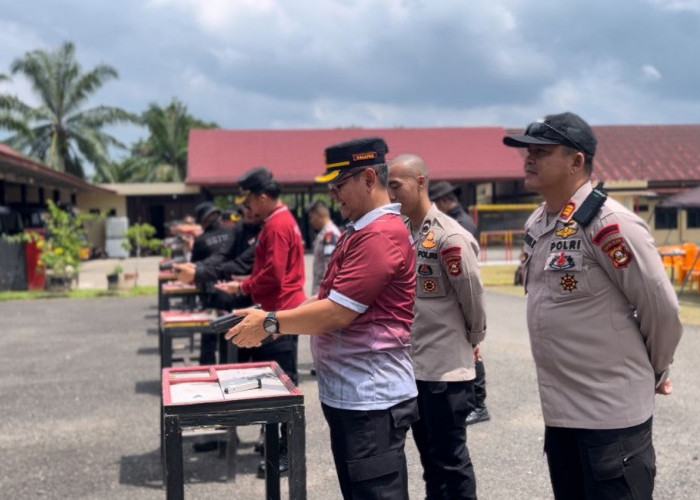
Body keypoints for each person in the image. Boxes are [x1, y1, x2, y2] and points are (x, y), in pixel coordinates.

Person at [225, 137, 419, 499]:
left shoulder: (380, 234)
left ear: (367, 179)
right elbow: (327, 298)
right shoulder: (362, 230)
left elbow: (336, 313)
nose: (333, 194)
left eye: (339, 184)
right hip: (355, 395)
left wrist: (270, 323)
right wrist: (272, 314)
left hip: (371, 399)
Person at [503, 111, 683, 499]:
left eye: (542, 152)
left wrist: (654, 368)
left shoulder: (609, 224)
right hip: (562, 413)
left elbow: (662, 309)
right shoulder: (538, 222)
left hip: (610, 415)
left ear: (576, 161)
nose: (528, 159)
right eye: (527, 152)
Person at [388, 154, 486, 499]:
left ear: (420, 182)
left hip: (445, 371)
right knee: (430, 461)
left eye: (396, 185)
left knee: (451, 461)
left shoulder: (449, 236)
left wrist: (472, 340)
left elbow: (473, 298)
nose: (390, 194)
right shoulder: (404, 232)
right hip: (416, 368)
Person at [213, 166, 306, 476]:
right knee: (276, 385)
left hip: (279, 314)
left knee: (281, 387)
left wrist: (244, 286)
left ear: (264, 197)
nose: (246, 207)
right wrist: (247, 283)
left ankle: (286, 454)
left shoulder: (277, 224)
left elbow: (274, 274)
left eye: (250, 200)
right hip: (278, 312)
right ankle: (275, 445)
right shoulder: (279, 221)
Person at [429, 180, 490, 426]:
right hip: (460, 293)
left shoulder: (460, 224)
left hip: (464, 293)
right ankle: (475, 402)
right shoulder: (458, 220)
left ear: (443, 201)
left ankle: (479, 403)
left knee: (474, 351)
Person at [305, 200, 341, 296]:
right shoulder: (326, 233)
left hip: (323, 292)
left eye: (312, 217)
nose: (311, 221)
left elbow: (329, 265)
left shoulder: (329, 234)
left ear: (319, 215)